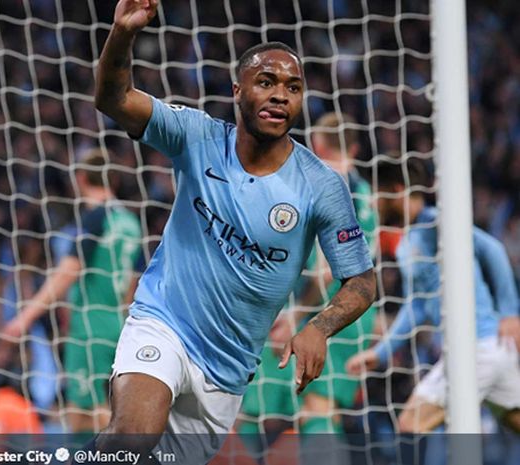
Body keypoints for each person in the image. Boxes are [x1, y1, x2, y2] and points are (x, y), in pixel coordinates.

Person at [88, 1, 376, 462]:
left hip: (226, 371)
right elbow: (113, 99)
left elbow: (362, 281)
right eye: (267, 82)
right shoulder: (195, 136)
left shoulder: (322, 186)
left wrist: (319, 327)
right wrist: (122, 31)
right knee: (131, 438)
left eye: (293, 87)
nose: (281, 94)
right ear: (238, 89)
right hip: (164, 323)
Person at [346, 158, 520, 434]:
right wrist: (381, 353)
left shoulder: (437, 226)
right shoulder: (407, 245)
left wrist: (510, 313)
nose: (372, 203)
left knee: (410, 423)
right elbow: (417, 306)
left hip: (478, 348)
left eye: (378, 194)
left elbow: (493, 249)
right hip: (486, 350)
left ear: (398, 190)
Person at [240, 112, 379, 443]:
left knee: (274, 414)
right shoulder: (365, 193)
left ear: (316, 144)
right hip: (357, 312)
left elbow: (325, 270)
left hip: (321, 309)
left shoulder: (323, 185)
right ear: (355, 148)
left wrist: (296, 316)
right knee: (307, 411)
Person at [0, 149, 142, 433]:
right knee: (101, 406)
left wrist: (24, 318)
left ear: (80, 178)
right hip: (119, 327)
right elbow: (134, 282)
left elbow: (68, 272)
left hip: (89, 327)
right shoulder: (130, 222)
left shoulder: (94, 219)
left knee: (85, 411)